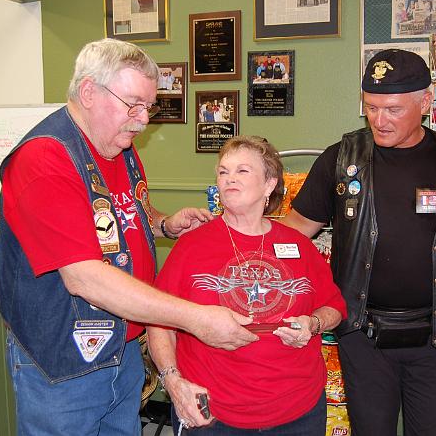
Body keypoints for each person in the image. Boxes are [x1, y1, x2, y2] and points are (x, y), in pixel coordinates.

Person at [0, 38, 257, 436]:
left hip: (122, 350)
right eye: (133, 104)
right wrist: (197, 318)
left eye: (149, 106)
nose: (143, 119)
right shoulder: (44, 159)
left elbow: (117, 217)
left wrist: (163, 224)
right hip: (64, 363)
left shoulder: (118, 144)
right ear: (89, 92)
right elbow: (85, 277)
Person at [280, 49, 436, 435]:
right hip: (362, 336)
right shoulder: (341, 160)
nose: (379, 120)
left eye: (392, 110)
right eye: (371, 108)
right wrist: (235, 247)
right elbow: (293, 232)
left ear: (425, 102)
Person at [148, 136, 347, 435]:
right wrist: (173, 382)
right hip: (214, 414)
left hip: (298, 410)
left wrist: (313, 323)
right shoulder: (191, 246)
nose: (229, 178)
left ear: (269, 184)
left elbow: (334, 307)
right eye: (223, 171)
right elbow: (158, 322)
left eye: (242, 170)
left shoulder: (299, 245)